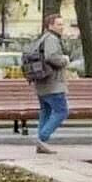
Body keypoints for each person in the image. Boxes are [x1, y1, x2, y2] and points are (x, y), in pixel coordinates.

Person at [29, 13, 71, 154]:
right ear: (50, 26)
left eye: (62, 24)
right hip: (53, 83)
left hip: (43, 83)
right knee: (61, 111)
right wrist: (64, 60)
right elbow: (51, 57)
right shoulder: (52, 39)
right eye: (59, 24)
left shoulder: (43, 38)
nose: (62, 27)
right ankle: (42, 138)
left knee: (46, 112)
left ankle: (41, 144)